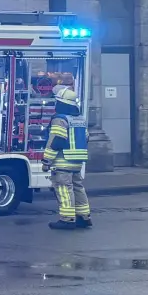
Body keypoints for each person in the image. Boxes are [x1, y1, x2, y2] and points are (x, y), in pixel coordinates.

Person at [43, 85, 91, 230]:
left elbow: (56, 141)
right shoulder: (80, 119)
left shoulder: (60, 120)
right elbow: (87, 138)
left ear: (61, 103)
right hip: (77, 161)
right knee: (78, 188)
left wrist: (47, 161)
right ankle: (84, 217)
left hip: (63, 161)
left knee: (64, 188)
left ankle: (67, 219)